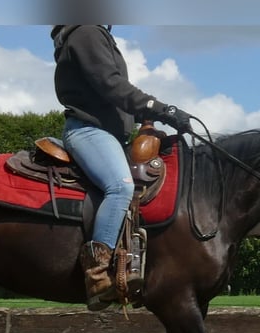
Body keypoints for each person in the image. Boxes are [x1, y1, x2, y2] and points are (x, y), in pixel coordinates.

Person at [51, 25, 192, 310]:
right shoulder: (86, 32)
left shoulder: (92, 32)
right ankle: (97, 275)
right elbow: (110, 84)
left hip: (108, 134)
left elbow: (112, 94)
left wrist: (150, 114)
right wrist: (161, 108)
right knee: (121, 186)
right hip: (89, 131)